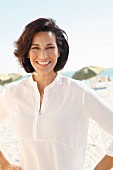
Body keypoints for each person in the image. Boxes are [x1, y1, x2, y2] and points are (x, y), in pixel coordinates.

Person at [0, 17, 113, 170]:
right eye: (35, 48)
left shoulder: (78, 92)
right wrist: (4, 164)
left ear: (59, 51)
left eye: (49, 47)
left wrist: (101, 167)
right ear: (26, 52)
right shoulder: (14, 93)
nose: (43, 55)